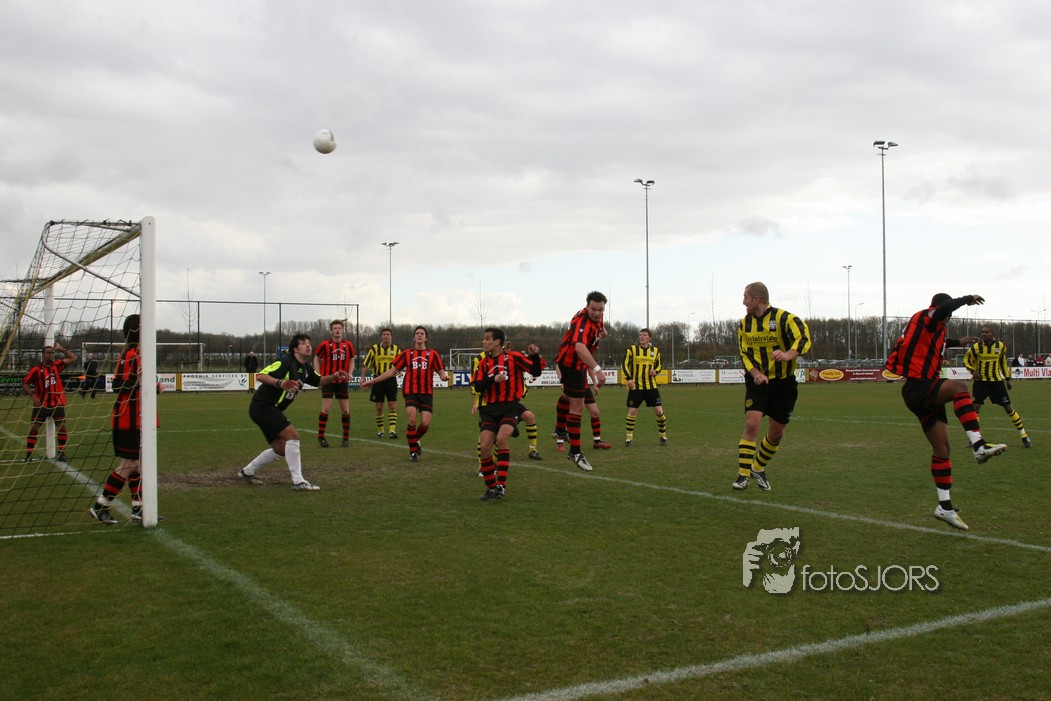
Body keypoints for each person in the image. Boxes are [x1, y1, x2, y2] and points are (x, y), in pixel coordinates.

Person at [886, 293, 1008, 531]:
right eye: (948, 315)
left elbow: (939, 342)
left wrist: (957, 342)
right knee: (959, 387)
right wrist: (967, 299)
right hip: (919, 386)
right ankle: (979, 445)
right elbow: (943, 309)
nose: (948, 318)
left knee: (942, 450)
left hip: (922, 393)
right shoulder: (928, 316)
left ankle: (945, 507)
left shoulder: (933, 329)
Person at [239, 332, 348, 490]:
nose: (308, 345)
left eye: (309, 342)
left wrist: (333, 376)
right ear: (295, 349)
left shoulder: (305, 367)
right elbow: (261, 376)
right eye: (303, 343)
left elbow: (319, 381)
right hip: (263, 407)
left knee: (280, 449)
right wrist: (280, 382)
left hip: (271, 409)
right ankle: (298, 481)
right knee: (293, 435)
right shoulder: (285, 362)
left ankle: (247, 471)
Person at [732, 282, 812, 492]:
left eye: (745, 297)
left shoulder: (784, 318)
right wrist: (755, 374)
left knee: (776, 434)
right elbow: (744, 354)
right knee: (752, 423)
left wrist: (788, 355)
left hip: (784, 383)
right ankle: (742, 475)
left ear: (756, 299)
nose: (743, 302)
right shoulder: (744, 325)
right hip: (758, 382)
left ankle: (758, 468)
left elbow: (804, 338)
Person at [89, 315, 153, 524]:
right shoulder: (131, 354)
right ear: (139, 331)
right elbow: (118, 385)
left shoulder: (135, 354)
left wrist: (152, 387)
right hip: (128, 419)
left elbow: (133, 383)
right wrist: (141, 382)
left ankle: (138, 508)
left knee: (137, 465)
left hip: (134, 418)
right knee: (130, 464)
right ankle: (100, 505)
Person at [472, 328, 543, 500]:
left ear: (497, 342)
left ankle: (501, 486)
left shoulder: (514, 357)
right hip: (490, 410)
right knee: (485, 448)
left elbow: (535, 371)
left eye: (487, 339)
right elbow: (477, 386)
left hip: (510, 407)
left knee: (501, 439)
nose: (484, 342)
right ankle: (491, 488)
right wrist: (493, 379)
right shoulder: (483, 363)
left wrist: (534, 356)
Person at [360, 325, 448, 461]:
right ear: (414, 337)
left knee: (425, 424)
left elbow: (441, 372)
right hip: (410, 391)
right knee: (412, 419)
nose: (419, 335)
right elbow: (391, 372)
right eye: (417, 333)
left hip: (426, 393)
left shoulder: (433, 354)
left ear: (426, 338)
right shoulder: (407, 354)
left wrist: (444, 376)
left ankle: (415, 439)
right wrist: (371, 381)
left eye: (422, 333)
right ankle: (413, 452)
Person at [554, 291, 608, 471]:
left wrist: (602, 333)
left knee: (569, 398)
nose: (597, 313)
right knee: (577, 407)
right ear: (587, 306)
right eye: (593, 309)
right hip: (572, 364)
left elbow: (598, 330)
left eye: (601, 309)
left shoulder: (598, 316)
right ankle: (575, 452)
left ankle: (559, 429)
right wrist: (598, 370)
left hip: (577, 364)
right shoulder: (581, 322)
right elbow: (579, 347)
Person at [964, 325, 1031, 448]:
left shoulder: (1000, 346)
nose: (984, 334)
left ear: (992, 333)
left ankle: (1024, 436)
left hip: (997, 382)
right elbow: (966, 361)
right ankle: (975, 439)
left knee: (1009, 408)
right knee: (975, 408)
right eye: (982, 332)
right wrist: (973, 372)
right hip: (981, 382)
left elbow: (1003, 363)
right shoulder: (976, 347)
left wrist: (1008, 379)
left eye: (987, 332)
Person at [23, 341, 77, 462]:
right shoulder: (36, 369)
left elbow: (73, 358)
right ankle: (29, 455)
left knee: (62, 426)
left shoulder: (57, 365)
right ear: (43, 354)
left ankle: (61, 453)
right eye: (48, 353)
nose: (51, 354)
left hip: (57, 403)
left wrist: (60, 348)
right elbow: (25, 383)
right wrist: (33, 396)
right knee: (34, 428)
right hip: (41, 404)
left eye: (52, 352)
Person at [622, 328, 669, 447]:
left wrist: (656, 371)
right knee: (632, 411)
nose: (642, 337)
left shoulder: (655, 351)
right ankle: (629, 438)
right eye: (640, 335)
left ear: (649, 337)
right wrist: (629, 378)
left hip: (651, 386)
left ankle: (663, 436)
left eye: (644, 335)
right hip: (636, 387)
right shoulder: (632, 350)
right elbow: (624, 365)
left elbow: (659, 365)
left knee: (659, 411)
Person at [313, 319, 356, 448]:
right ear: (331, 331)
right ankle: (321, 437)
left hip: (342, 381)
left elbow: (352, 359)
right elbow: (316, 358)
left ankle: (345, 439)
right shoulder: (325, 344)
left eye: (339, 328)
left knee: (345, 410)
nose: (337, 330)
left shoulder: (348, 345)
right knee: (326, 408)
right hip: (328, 380)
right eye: (335, 328)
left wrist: (350, 373)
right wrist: (318, 374)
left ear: (342, 330)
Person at [552, 367, 610, 452]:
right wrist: (562, 381)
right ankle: (560, 442)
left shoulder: (585, 358)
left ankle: (597, 442)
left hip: (585, 387)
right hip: (572, 386)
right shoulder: (568, 358)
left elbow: (590, 368)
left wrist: (595, 383)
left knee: (595, 412)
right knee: (570, 413)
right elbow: (559, 366)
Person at [362, 328, 400, 439]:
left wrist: (399, 371)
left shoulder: (396, 350)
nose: (386, 336)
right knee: (379, 408)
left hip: (391, 380)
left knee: (392, 405)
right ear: (381, 336)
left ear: (391, 336)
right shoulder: (374, 349)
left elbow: (400, 364)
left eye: (388, 334)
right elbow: (366, 364)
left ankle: (392, 431)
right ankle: (380, 430)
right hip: (378, 381)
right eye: (384, 334)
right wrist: (362, 378)